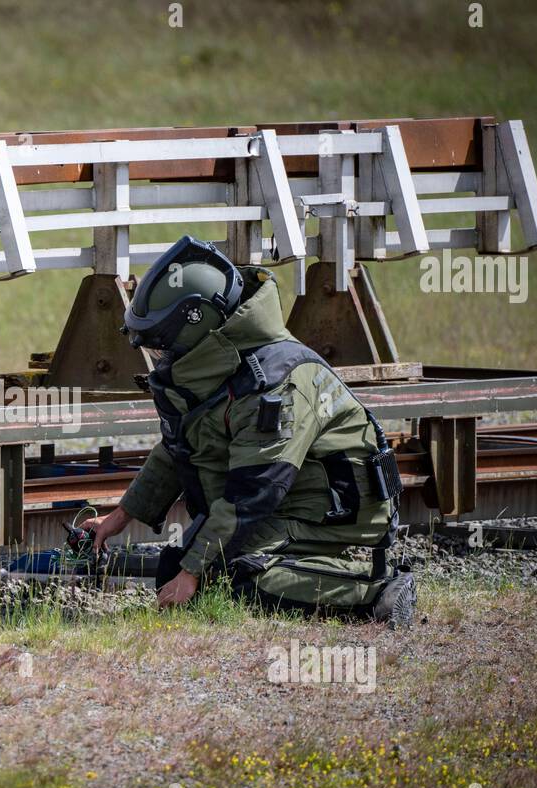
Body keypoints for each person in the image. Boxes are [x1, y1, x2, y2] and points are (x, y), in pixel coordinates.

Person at [82, 236, 415, 627]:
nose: (161, 358)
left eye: (162, 346)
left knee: (237, 577)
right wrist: (117, 520)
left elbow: (251, 495)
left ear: (198, 327)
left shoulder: (275, 384)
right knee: (181, 565)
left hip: (335, 515)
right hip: (288, 502)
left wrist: (193, 574)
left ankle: (378, 591)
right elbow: (181, 448)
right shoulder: (228, 367)